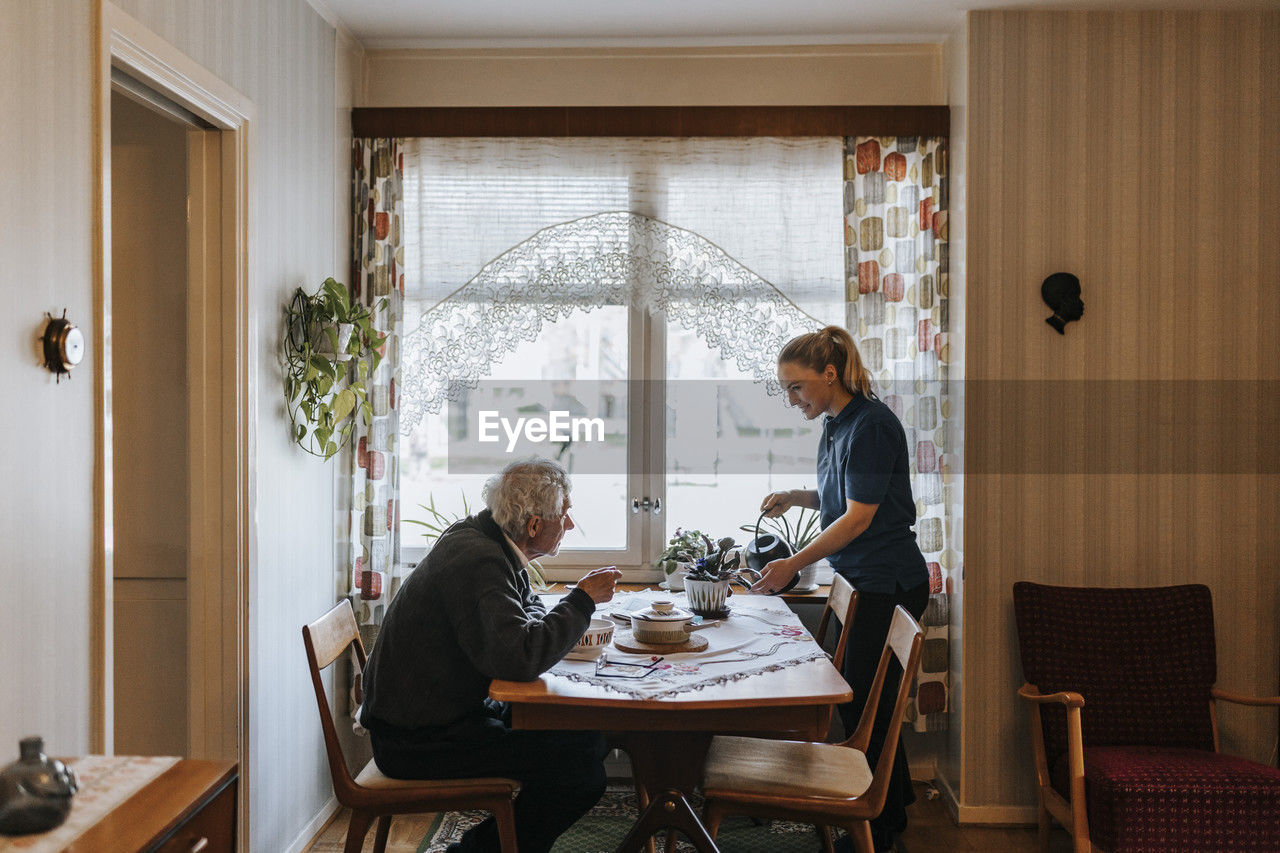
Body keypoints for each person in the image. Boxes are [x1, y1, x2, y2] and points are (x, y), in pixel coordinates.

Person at [359, 458, 622, 853]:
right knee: (581, 772)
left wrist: (555, 614)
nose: (569, 525)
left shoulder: (483, 537)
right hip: (417, 741)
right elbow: (520, 658)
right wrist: (582, 599)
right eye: (564, 515)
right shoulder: (479, 560)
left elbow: (527, 608)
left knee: (588, 736)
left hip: (436, 719)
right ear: (534, 525)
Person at [751, 325, 928, 853]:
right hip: (865, 578)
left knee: (868, 702)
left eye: (797, 387)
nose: (791, 399)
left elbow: (857, 518)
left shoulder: (871, 425)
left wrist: (791, 565)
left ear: (831, 374)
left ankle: (881, 822)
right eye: (785, 389)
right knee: (870, 699)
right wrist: (796, 495)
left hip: (886, 582)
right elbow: (841, 495)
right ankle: (895, 804)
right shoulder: (837, 422)